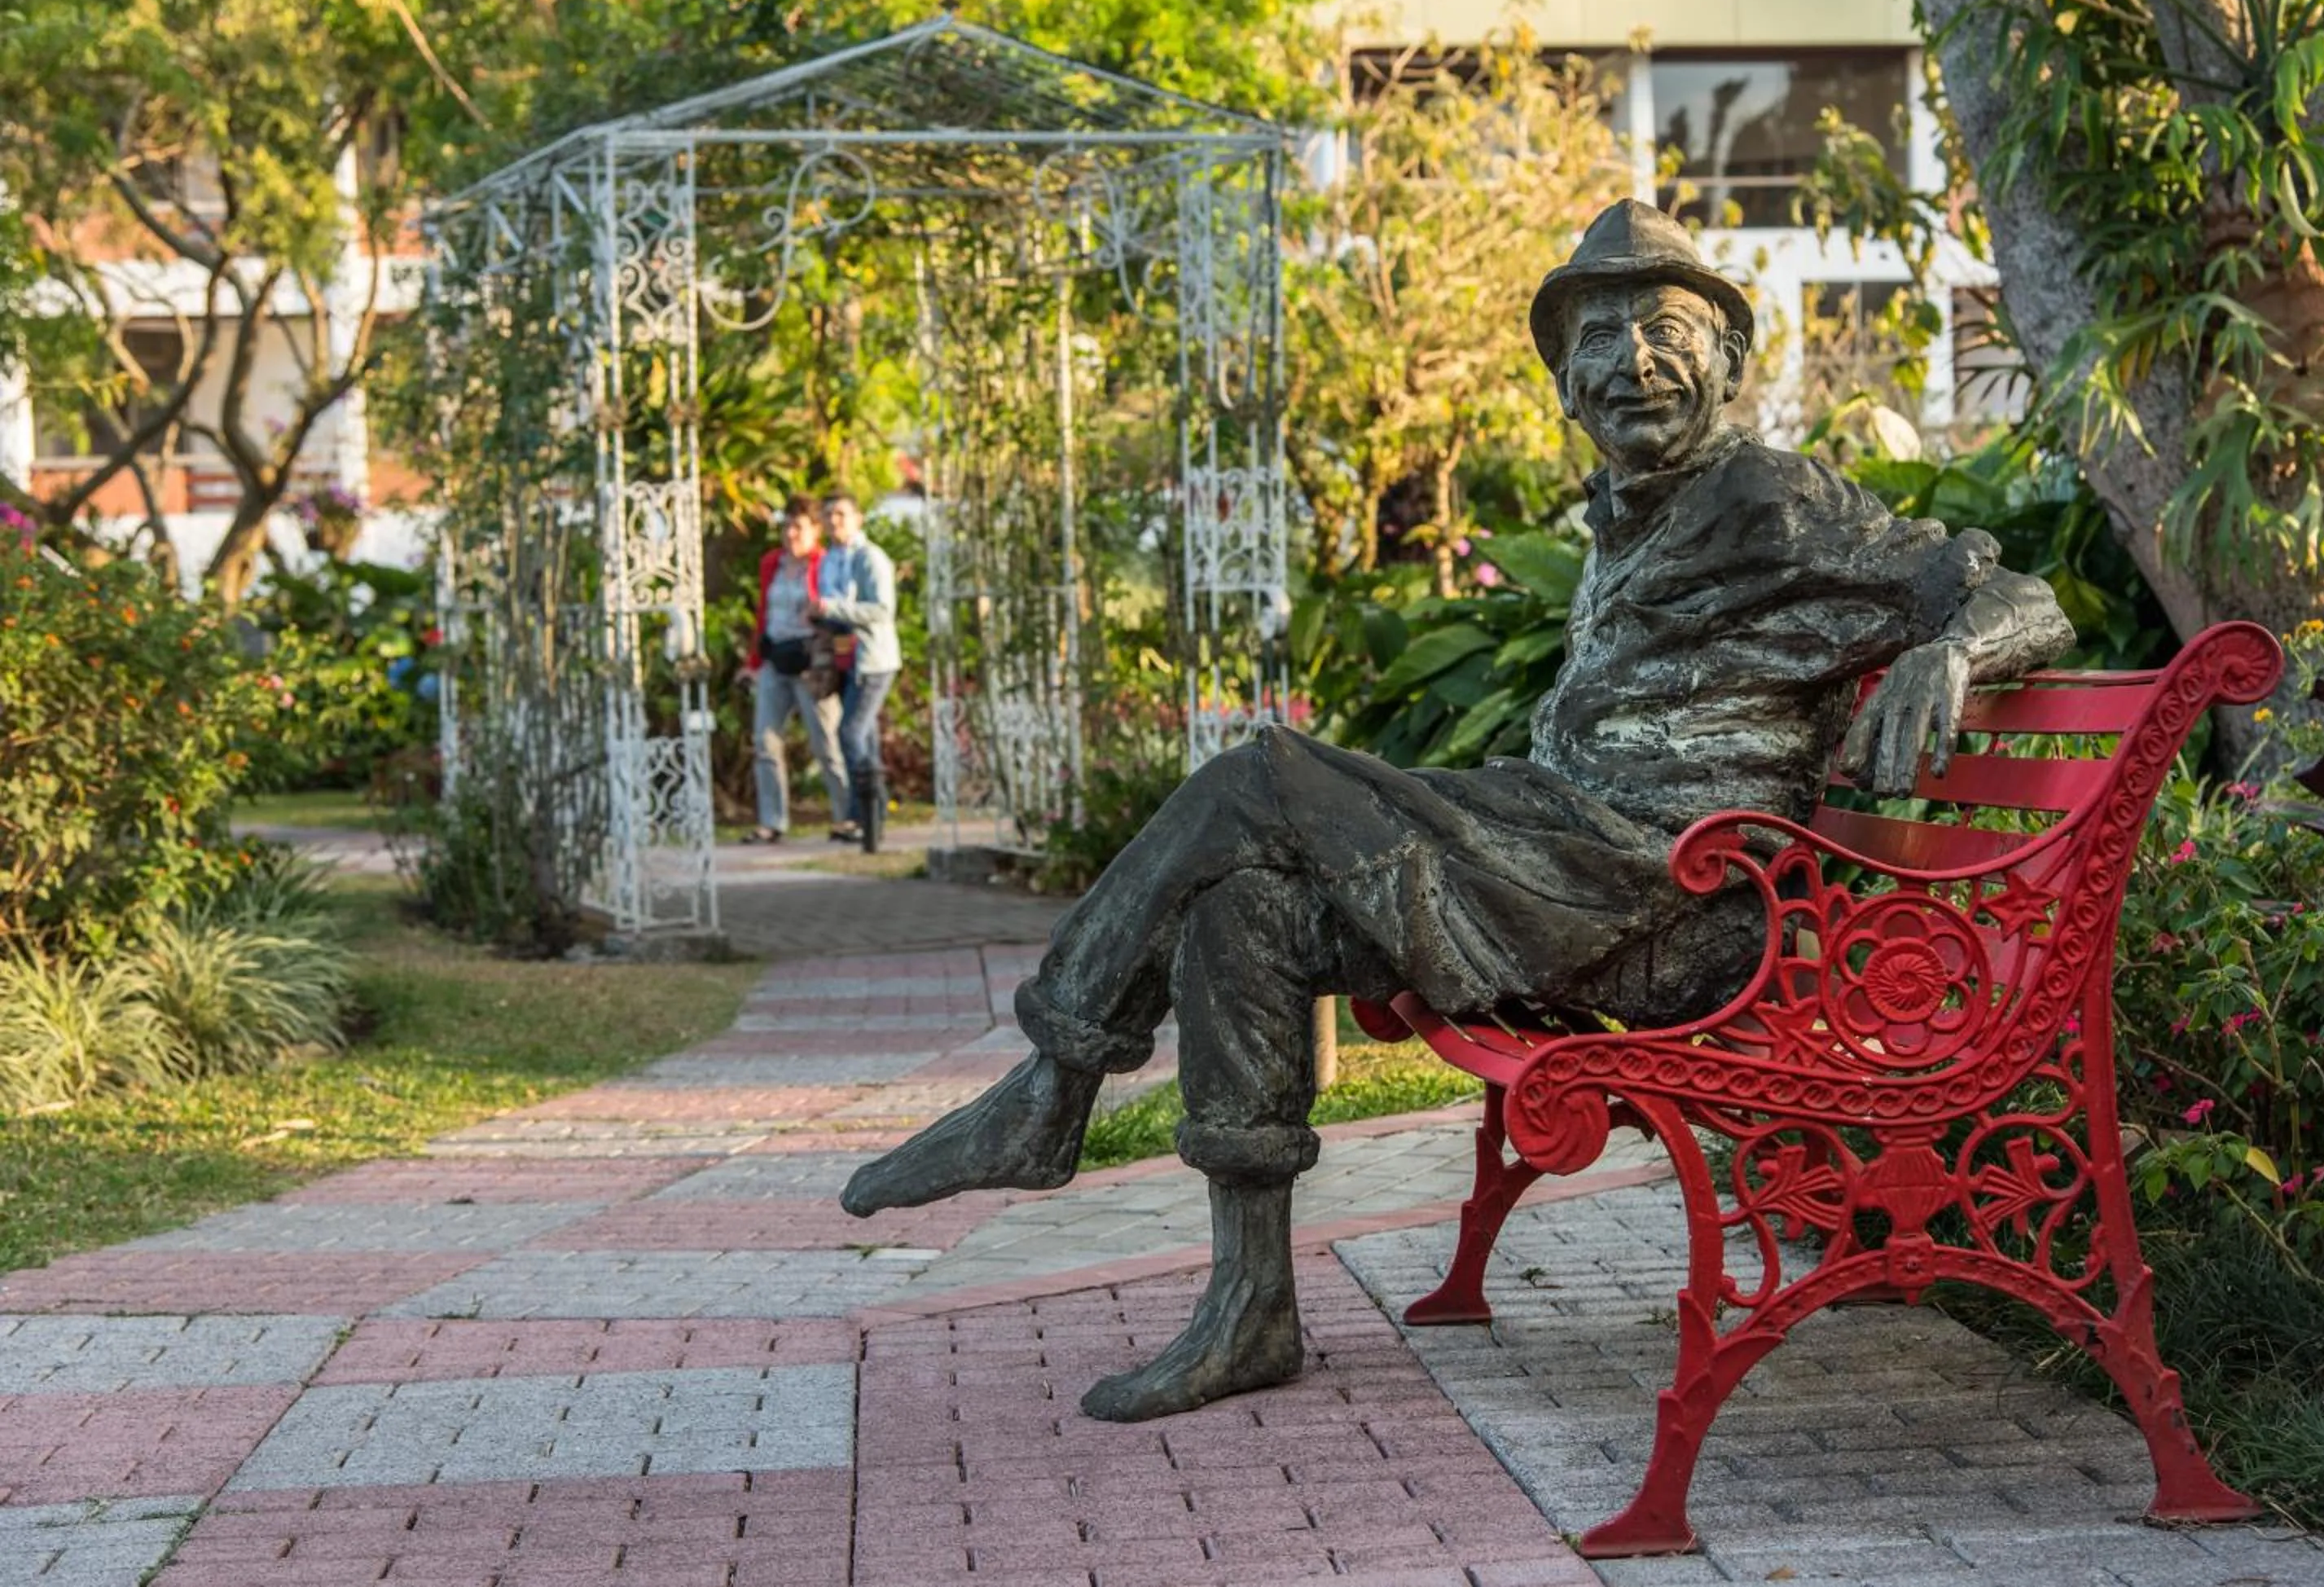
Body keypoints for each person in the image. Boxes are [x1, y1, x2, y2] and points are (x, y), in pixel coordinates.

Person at [841, 200, 2074, 1422]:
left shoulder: (1768, 496)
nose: (1632, 361)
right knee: (1250, 907)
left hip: (1674, 895)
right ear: (1564, 391)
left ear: (1730, 362)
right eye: (1599, 341)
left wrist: (1955, 652)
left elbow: (2021, 592)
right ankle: (1250, 1306)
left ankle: (1052, 1088)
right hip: (1573, 865)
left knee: (1263, 775)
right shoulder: (1621, 517)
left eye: (1664, 329)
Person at [743, 493, 849, 844]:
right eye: (787, 526)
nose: (791, 534)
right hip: (776, 658)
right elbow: (763, 613)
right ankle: (772, 821)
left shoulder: (825, 563)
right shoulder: (771, 563)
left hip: (810, 662)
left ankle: (846, 816)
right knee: (765, 740)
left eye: (799, 527)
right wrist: (753, 662)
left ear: (815, 530)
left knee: (826, 741)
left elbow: (839, 610)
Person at [815, 492, 901, 842]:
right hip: (845, 660)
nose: (834, 522)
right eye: (828, 515)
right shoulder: (830, 559)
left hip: (873, 660)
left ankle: (862, 812)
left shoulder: (870, 558)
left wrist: (830, 608)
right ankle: (871, 817)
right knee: (865, 739)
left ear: (858, 518)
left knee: (849, 732)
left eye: (841, 514)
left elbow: (881, 610)